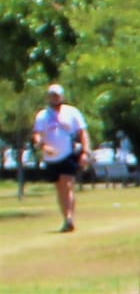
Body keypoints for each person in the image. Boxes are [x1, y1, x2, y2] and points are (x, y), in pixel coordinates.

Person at [32, 83, 92, 234]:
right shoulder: (42, 115)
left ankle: (70, 218)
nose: (55, 98)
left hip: (68, 154)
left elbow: (82, 132)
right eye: (52, 95)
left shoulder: (72, 112)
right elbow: (37, 134)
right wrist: (42, 146)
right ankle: (66, 217)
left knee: (67, 184)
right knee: (60, 188)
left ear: (62, 96)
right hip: (51, 157)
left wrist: (86, 152)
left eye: (57, 95)